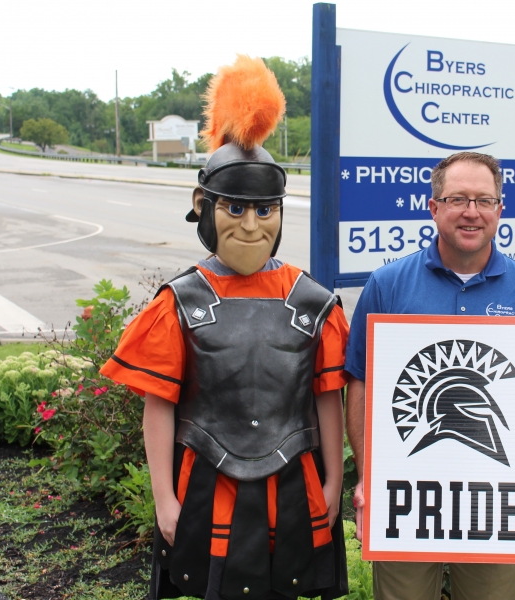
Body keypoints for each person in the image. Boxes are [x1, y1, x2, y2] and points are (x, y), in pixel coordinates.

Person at [100, 56, 349, 600]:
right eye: (236, 207)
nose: (252, 225)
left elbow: (328, 397)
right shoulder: (180, 303)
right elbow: (160, 404)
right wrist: (164, 498)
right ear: (203, 206)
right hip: (207, 487)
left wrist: (333, 482)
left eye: (266, 209)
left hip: (294, 484)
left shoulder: (312, 301)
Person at [344, 151, 515, 600]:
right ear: (433, 208)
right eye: (458, 199)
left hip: (498, 500)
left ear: (500, 210)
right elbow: (362, 384)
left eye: (484, 200)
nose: (472, 212)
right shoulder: (387, 285)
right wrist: (368, 476)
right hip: (407, 499)